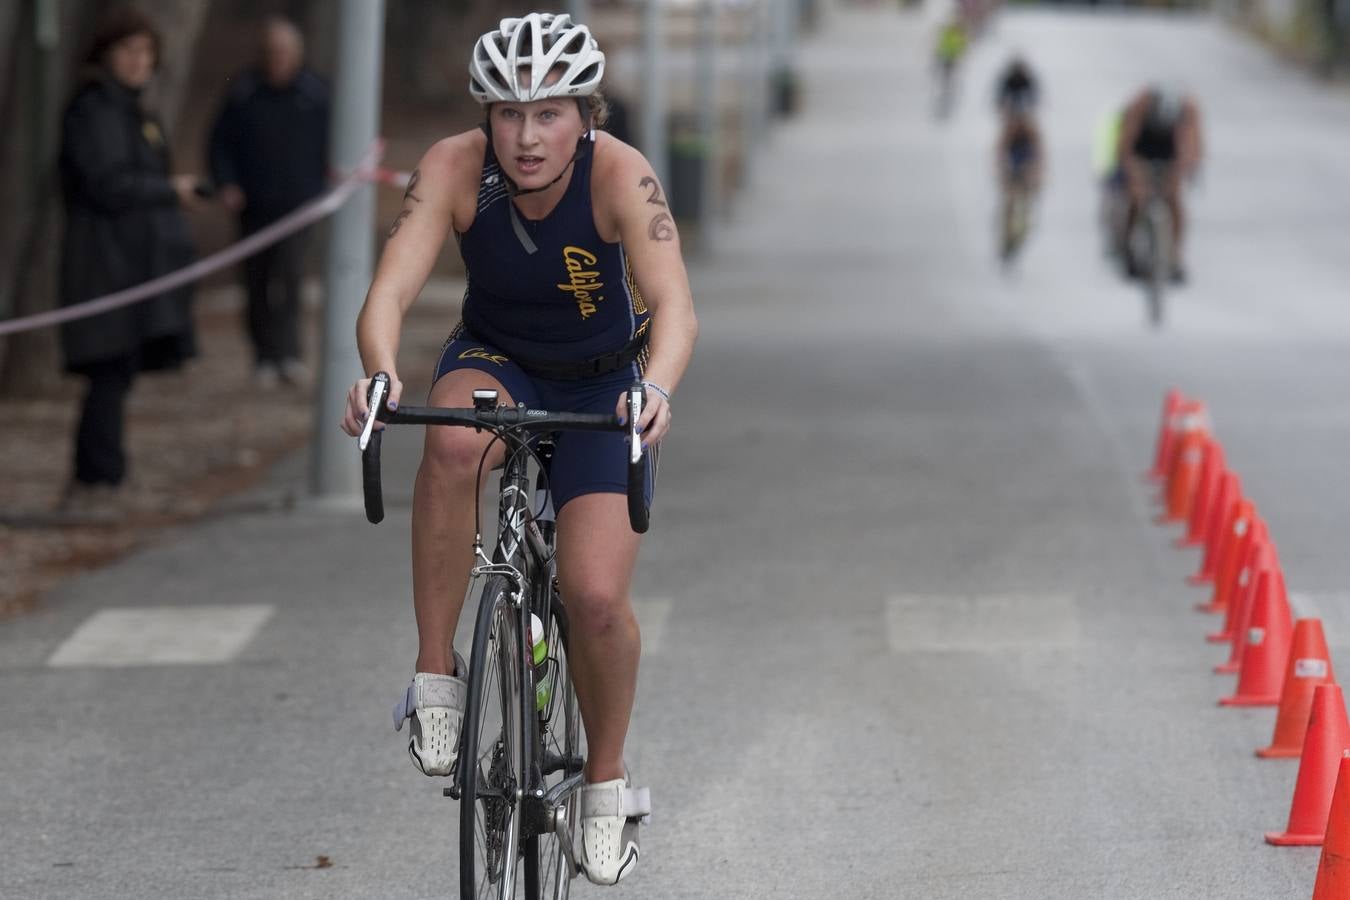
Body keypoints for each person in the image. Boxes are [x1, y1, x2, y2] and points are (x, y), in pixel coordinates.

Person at [339, 13, 697, 886]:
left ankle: (604, 783)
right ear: (486, 118)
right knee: (454, 445)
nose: (527, 136)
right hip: (497, 360)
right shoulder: (456, 168)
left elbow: (676, 308)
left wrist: (654, 390)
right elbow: (386, 291)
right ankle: (436, 675)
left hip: (602, 382)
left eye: (549, 113)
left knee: (596, 599)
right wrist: (380, 375)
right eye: (508, 114)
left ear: (584, 113)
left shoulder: (622, 175)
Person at [57, 6, 200, 515]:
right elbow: (106, 183)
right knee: (106, 371)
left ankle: (104, 476)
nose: (140, 62)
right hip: (103, 265)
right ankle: (95, 480)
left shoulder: (135, 110)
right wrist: (167, 190)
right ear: (106, 54)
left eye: (146, 53)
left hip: (130, 264)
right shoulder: (96, 110)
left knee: (116, 373)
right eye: (129, 51)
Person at [208, 16, 330, 389]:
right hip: (254, 208)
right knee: (257, 283)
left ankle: (290, 355)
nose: (278, 59)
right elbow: (219, 144)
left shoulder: (316, 93)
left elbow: (335, 142)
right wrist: (226, 184)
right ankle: (263, 356)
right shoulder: (243, 92)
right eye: (272, 52)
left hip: (299, 207)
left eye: (285, 52)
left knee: (290, 279)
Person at [1116, 86, 1203, 281]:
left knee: (1173, 199)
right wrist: (1135, 177)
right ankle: (1128, 247)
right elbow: (1125, 149)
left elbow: (1192, 145)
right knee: (1136, 198)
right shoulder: (1139, 105)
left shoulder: (1188, 108)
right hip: (1141, 147)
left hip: (1170, 149)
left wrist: (1186, 168)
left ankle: (1175, 254)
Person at [995, 99, 1044, 261]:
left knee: (1026, 207)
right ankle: (1006, 234)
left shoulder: (1032, 130)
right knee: (1009, 202)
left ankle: (1019, 233)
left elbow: (1039, 157)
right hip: (1013, 169)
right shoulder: (1009, 130)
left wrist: (1036, 177)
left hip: (1025, 169)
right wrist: (1004, 176)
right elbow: (1000, 154)